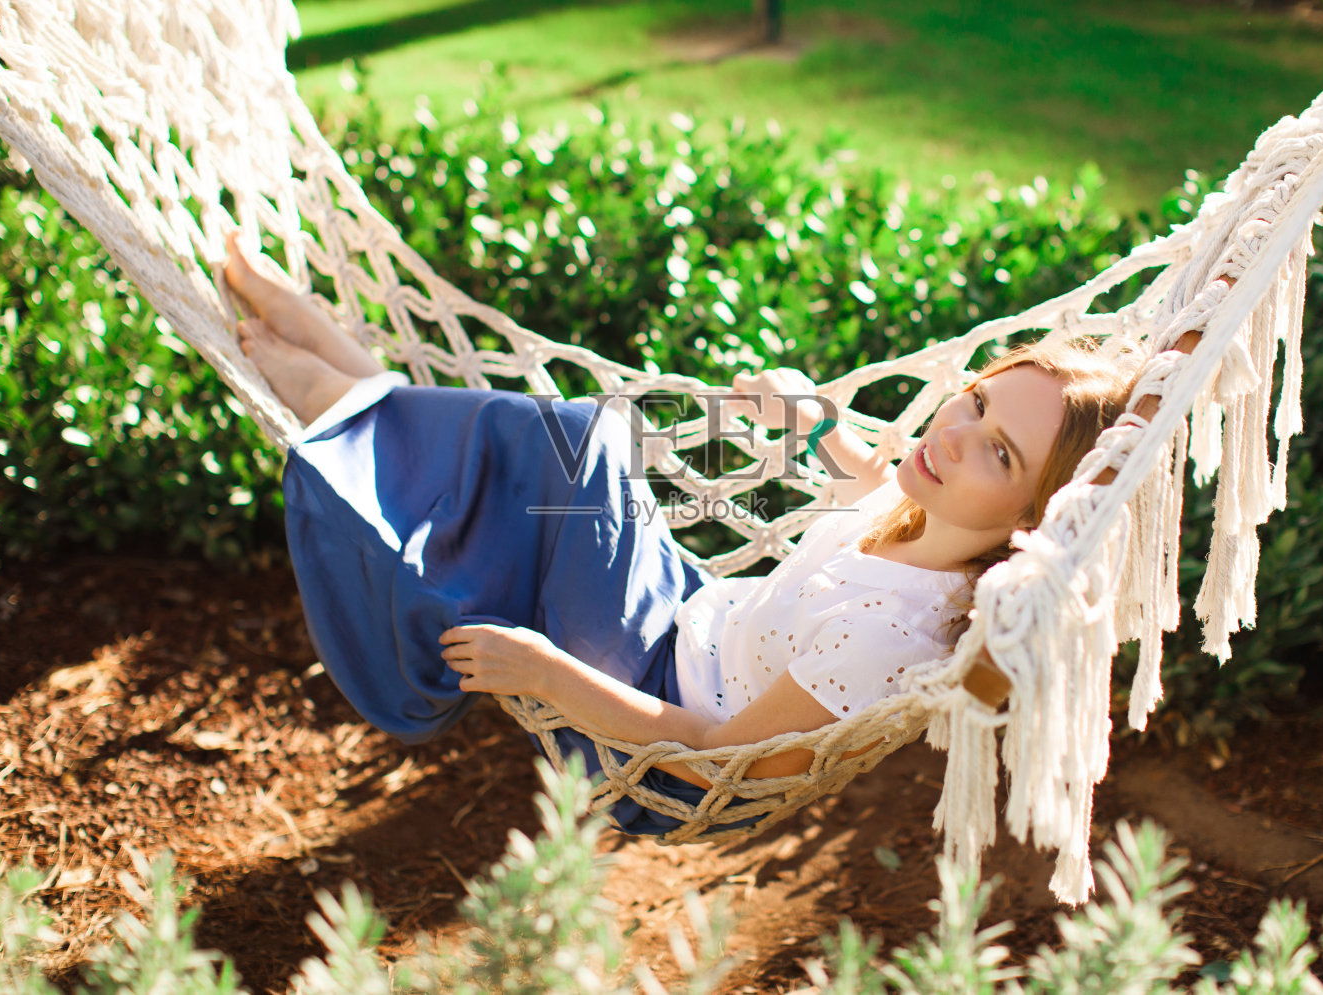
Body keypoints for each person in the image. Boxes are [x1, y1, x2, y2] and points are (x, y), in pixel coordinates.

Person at [222, 236, 1135, 834]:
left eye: (999, 451)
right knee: (556, 453)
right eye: (974, 401)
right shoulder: (924, 513)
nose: (954, 433)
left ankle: (331, 387)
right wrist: (814, 428)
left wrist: (547, 674)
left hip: (648, 723)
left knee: (564, 449)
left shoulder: (886, 638)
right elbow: (864, 485)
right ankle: (353, 385)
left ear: (1029, 518)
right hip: (682, 611)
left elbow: (714, 760)